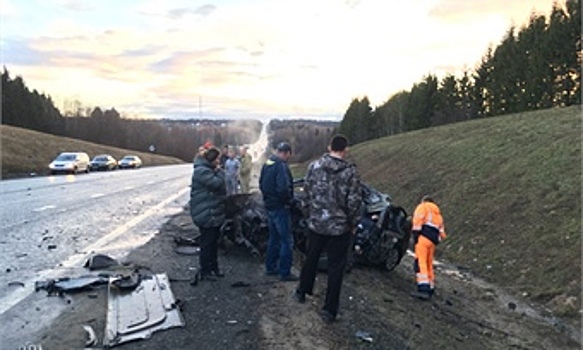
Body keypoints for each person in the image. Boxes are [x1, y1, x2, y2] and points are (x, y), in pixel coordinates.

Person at [294, 134, 362, 324]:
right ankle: (329, 311)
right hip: (339, 228)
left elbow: (306, 194)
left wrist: (309, 216)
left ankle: (302, 292)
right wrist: (353, 224)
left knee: (311, 259)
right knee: (335, 269)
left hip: (316, 224)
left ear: (329, 146)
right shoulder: (350, 173)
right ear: (345, 149)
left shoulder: (314, 167)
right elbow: (354, 202)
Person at [259, 142, 298, 282]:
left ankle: (270, 267)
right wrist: (290, 201)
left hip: (269, 206)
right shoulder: (280, 166)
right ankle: (284, 272)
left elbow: (261, 183)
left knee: (273, 238)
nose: (288, 158)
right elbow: (283, 188)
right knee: (286, 241)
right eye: (288, 155)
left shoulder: (267, 163)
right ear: (286, 153)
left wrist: (268, 199)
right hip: (280, 208)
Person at [189, 147, 227, 281]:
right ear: (211, 160)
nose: (219, 161)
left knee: (214, 242)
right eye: (217, 159)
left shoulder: (208, 170)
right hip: (205, 213)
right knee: (207, 243)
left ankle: (214, 268)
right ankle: (205, 270)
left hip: (211, 211)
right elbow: (217, 184)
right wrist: (221, 172)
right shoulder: (202, 172)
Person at [411, 195, 447, 299]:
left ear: (424, 201)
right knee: (428, 263)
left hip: (423, 238)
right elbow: (442, 233)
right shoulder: (438, 215)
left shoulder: (423, 207)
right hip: (433, 241)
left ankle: (423, 288)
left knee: (420, 262)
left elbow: (417, 221)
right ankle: (430, 286)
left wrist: (415, 236)